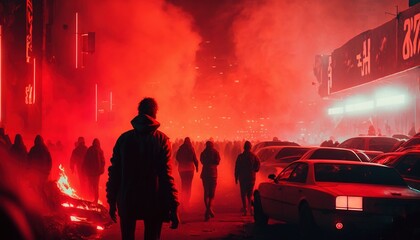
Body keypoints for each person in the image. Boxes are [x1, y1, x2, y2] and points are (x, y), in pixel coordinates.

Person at [106, 97, 179, 240]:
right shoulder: (162, 140)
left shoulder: (124, 139)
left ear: (139, 112)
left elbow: (114, 173)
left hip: (127, 199)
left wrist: (111, 200)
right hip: (153, 200)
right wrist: (173, 205)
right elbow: (166, 176)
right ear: (155, 113)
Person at [234, 141, 260, 216]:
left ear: (244, 147)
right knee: (250, 193)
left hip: (242, 178)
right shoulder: (254, 156)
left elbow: (237, 168)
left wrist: (236, 177)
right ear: (250, 147)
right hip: (251, 177)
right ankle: (250, 209)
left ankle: (245, 209)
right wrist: (254, 170)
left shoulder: (240, 157)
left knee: (243, 194)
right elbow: (258, 166)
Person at [200, 140, 220, 221]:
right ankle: (208, 210)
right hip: (213, 174)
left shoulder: (203, 153)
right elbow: (218, 162)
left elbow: (202, 161)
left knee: (206, 193)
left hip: (205, 174)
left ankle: (208, 210)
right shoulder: (215, 152)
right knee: (212, 194)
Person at [175, 137, 198, 208]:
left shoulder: (180, 149)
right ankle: (187, 201)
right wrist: (197, 167)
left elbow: (177, 157)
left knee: (183, 184)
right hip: (190, 169)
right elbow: (195, 159)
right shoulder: (191, 149)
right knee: (189, 185)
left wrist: (181, 162)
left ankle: (183, 200)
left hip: (182, 169)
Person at [82, 138, 105, 203]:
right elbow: (103, 161)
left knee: (90, 185)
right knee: (95, 186)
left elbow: (85, 161)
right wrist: (101, 170)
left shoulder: (90, 149)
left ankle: (90, 198)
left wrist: (84, 169)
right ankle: (95, 199)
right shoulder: (100, 150)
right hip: (96, 172)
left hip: (90, 172)